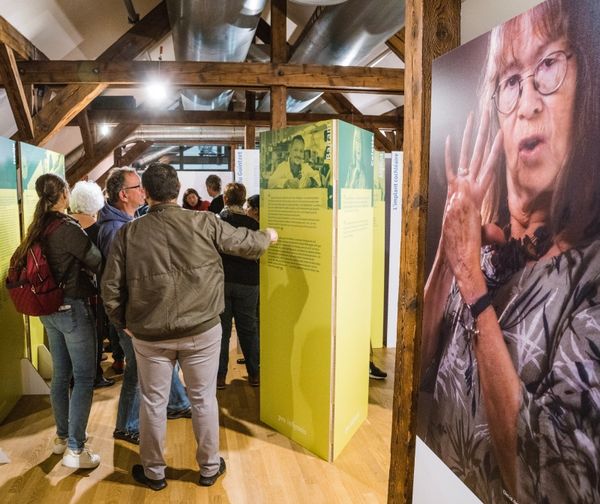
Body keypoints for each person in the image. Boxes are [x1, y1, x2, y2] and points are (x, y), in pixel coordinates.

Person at [421, 1, 600, 502]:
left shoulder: (589, 279)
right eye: (511, 80)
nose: (528, 104)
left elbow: (546, 477)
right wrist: (450, 249)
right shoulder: (487, 251)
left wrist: (474, 289)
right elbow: (420, 368)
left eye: (548, 66)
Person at [101, 162, 278, 490]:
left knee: (152, 402)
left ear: (148, 194)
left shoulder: (129, 233)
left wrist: (122, 322)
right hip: (201, 330)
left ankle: (154, 473)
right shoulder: (205, 222)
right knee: (203, 399)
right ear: (178, 189)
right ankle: (209, 467)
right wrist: (268, 236)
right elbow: (247, 243)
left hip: (149, 334)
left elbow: (109, 288)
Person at [12, 174, 102, 468]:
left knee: (61, 377)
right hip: (72, 308)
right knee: (85, 377)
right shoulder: (67, 228)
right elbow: (96, 260)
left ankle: (62, 438)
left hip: (48, 310)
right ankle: (76, 450)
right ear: (64, 195)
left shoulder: (37, 227)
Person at [97, 167, 192, 446]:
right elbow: (119, 279)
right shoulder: (117, 229)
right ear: (123, 194)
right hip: (129, 315)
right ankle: (127, 425)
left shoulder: (127, 222)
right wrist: (126, 319)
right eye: (138, 186)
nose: (143, 190)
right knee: (138, 369)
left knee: (161, 357)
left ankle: (176, 402)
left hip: (137, 311)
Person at [69, 180, 114, 389]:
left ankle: (79, 374)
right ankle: (95, 374)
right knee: (94, 332)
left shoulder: (66, 225)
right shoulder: (97, 229)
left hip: (67, 290)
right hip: (92, 291)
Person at [217, 183, 261, 389]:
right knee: (249, 330)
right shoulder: (252, 224)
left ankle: (219, 377)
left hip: (221, 282)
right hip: (248, 281)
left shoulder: (217, 222)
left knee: (222, 332)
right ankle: (254, 374)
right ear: (243, 200)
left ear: (225, 199)